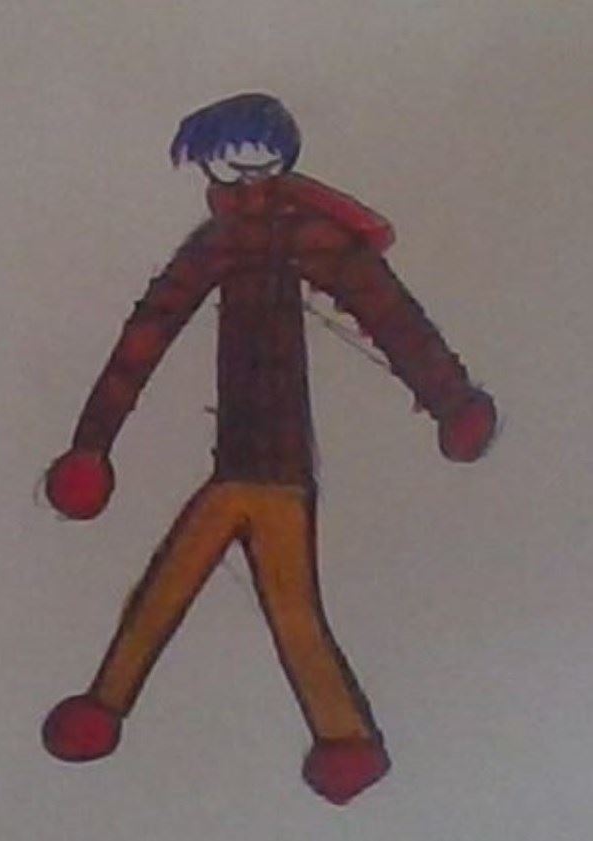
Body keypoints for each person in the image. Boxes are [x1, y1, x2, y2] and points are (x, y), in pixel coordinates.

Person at [41, 92, 496, 805]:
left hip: (269, 470)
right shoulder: (222, 243)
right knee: (253, 599)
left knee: (231, 596)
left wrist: (452, 399)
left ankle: (117, 708)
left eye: (256, 160)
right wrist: (92, 446)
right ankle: (341, 738)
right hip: (253, 466)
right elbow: (147, 334)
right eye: (230, 163)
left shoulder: (299, 237)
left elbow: (388, 314)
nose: (246, 176)